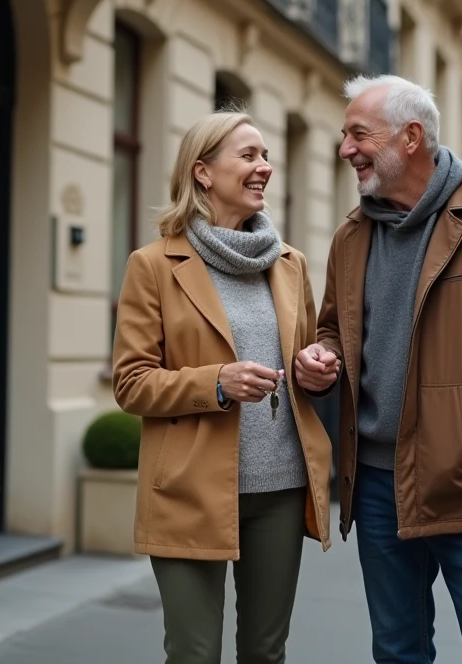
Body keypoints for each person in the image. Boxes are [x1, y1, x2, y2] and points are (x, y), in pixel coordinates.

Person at [294, 74, 462, 664]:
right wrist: (324, 358)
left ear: (410, 137)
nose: (345, 149)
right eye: (345, 136)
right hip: (374, 485)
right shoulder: (351, 235)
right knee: (397, 650)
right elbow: (333, 329)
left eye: (358, 134)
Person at [112, 111, 335, 662]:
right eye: (249, 155)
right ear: (203, 172)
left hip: (280, 489)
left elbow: (307, 356)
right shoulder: (154, 266)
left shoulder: (290, 265)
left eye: (265, 156)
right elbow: (131, 382)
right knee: (193, 654)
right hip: (189, 491)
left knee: (266, 652)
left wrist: (315, 370)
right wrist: (217, 382)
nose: (265, 167)